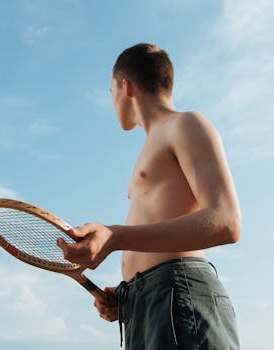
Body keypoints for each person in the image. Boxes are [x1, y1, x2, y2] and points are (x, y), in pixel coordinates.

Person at [57, 43, 241, 349]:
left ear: (125, 86)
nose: (112, 100)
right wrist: (129, 293)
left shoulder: (184, 124)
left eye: (111, 90)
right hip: (149, 302)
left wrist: (115, 236)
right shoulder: (153, 145)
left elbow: (227, 221)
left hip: (177, 294)